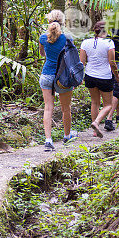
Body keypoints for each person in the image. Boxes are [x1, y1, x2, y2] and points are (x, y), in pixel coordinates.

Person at [39, 10, 76, 151]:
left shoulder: (43, 38)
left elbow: (43, 54)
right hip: (63, 77)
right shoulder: (67, 38)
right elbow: (72, 57)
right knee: (66, 108)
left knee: (48, 108)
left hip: (47, 74)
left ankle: (48, 141)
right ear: (62, 21)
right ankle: (67, 136)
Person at [79, 20, 119, 137]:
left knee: (94, 102)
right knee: (108, 105)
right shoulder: (109, 42)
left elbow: (82, 62)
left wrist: (81, 77)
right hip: (104, 77)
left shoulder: (85, 42)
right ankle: (96, 122)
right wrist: (117, 77)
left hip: (90, 76)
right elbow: (112, 63)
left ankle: (94, 131)